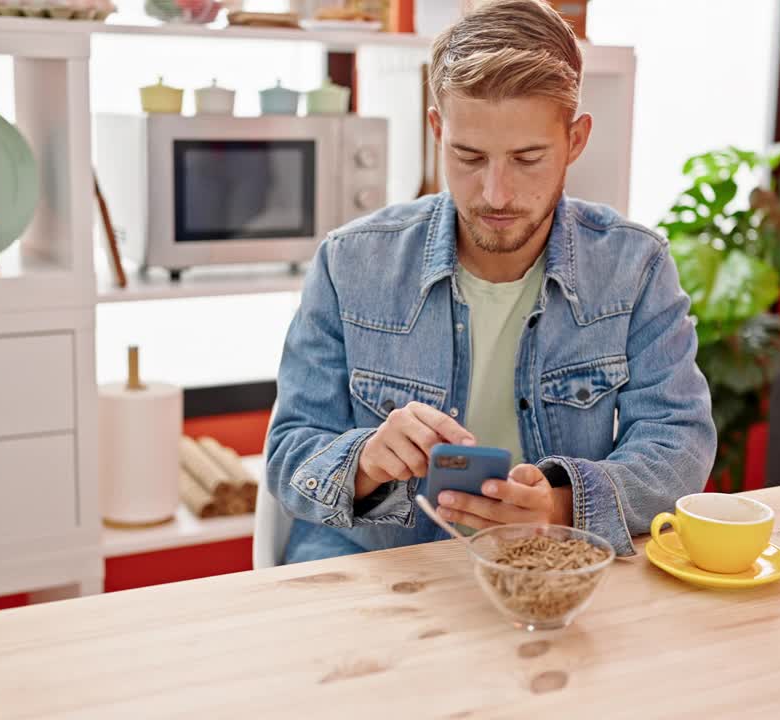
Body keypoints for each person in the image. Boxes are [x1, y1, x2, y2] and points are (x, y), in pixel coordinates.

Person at [266, 0, 716, 563]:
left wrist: (558, 507)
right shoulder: (349, 263)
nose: (496, 194)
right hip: (372, 566)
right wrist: (367, 460)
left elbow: (679, 444)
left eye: (527, 158)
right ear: (436, 130)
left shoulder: (635, 267)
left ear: (575, 140)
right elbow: (289, 455)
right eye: (469, 156)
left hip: (547, 568)